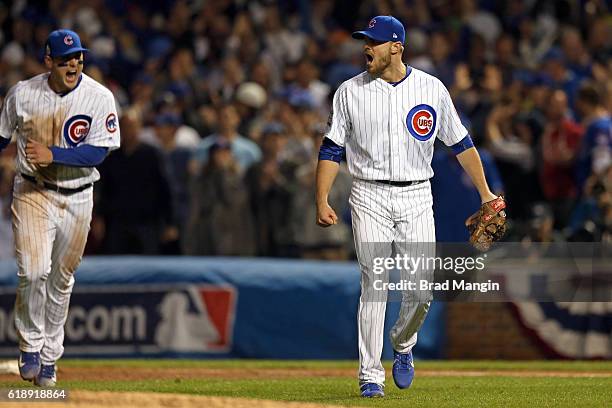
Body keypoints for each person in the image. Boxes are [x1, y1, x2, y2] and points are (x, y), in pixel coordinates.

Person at [315, 16, 502, 398]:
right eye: (365, 41)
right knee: (375, 283)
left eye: (375, 42)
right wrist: (321, 198)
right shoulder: (349, 92)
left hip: (417, 194)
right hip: (368, 194)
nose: (366, 47)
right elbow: (331, 148)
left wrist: (486, 194)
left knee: (421, 291)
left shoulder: (430, 88)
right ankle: (370, 376)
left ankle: (403, 345)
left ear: (396, 46)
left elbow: (461, 144)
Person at [0, 29, 120, 386]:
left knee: (61, 280)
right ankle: (32, 346)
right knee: (34, 271)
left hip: (79, 195)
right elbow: (2, 136)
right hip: (33, 192)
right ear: (48, 61)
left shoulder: (99, 97)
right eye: (66, 59)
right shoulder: (23, 94)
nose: (74, 65)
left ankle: (51, 358)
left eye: (78, 58)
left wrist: (55, 154)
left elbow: (99, 151)